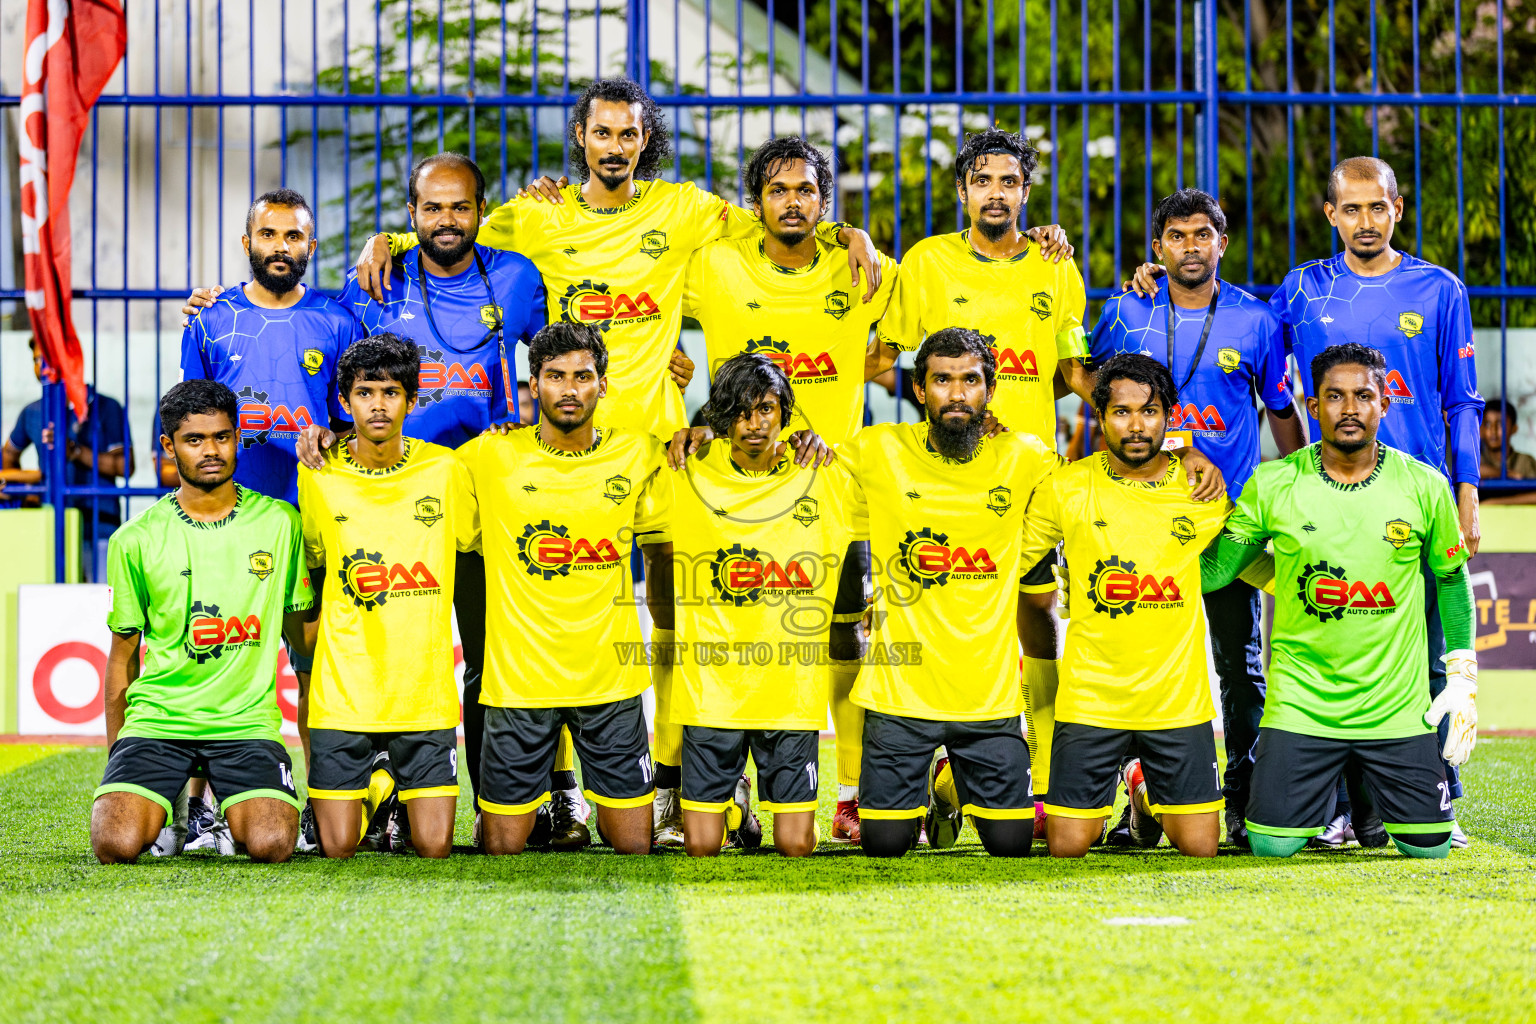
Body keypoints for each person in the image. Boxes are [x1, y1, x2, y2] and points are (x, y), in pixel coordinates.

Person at [870, 128, 1226, 837]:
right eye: (983, 180)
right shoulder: (928, 261)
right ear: (962, 190)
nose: (995, 193)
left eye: (1009, 181)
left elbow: (1074, 374)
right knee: (964, 611)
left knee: (1038, 618)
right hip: (946, 476)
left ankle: (1037, 769)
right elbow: (883, 359)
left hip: (1030, 479)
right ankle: (936, 773)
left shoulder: (1055, 265)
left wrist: (1167, 439)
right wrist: (952, 412)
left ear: (1025, 193)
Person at [1128, 157, 1484, 843]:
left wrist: (1466, 491)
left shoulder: (1438, 289)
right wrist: (1157, 283)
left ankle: (1438, 797)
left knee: (1431, 657)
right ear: (1331, 216)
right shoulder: (1302, 290)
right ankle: (1339, 809)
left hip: (1417, 498)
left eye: (1377, 208)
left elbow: (1462, 400)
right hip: (1330, 498)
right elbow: (1247, 344)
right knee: (1331, 643)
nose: (1365, 221)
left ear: (1397, 209)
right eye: (1350, 209)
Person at [356, 77, 884, 441]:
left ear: (644, 139)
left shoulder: (684, 207)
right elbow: (458, 231)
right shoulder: (541, 212)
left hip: (656, 425)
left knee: (662, 561)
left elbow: (778, 219)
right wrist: (388, 241)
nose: (614, 146)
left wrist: (845, 234)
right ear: (582, 137)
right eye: (602, 133)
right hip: (571, 424)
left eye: (627, 134)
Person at [666, 136, 901, 846]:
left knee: (839, 637)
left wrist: (852, 237)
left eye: (806, 190)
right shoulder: (715, 264)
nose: (792, 201)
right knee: (704, 622)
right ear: (755, 201)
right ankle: (694, 780)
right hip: (728, 487)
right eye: (777, 190)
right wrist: (674, 371)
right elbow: (644, 313)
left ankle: (854, 790)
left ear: (825, 203)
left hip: (830, 492)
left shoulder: (865, 269)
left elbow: (893, 346)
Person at [1202, 343, 1477, 859]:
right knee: (1270, 844)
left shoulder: (1425, 485)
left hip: (1395, 710)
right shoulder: (1273, 484)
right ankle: (1337, 796)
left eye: (1363, 395)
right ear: (1313, 407)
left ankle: (1371, 802)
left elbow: (1452, 579)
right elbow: (1218, 571)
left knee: (1430, 847)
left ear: (1385, 404)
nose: (1349, 408)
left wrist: (1462, 676)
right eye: (1334, 396)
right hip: (1302, 708)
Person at [1090, 188, 1304, 849]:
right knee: (1140, 664)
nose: (1190, 245)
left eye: (1202, 234)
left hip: (1226, 528)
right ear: (1157, 248)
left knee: (1240, 668)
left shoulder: (1257, 321)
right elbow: (1094, 406)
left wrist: (1308, 493)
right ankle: (1142, 806)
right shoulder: (1126, 311)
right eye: (1176, 235)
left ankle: (1243, 803)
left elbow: (1280, 412)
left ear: (1222, 243)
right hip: (1140, 521)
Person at [178, 187, 363, 851]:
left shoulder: (339, 323)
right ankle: (198, 808)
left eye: (293, 237)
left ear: (311, 246)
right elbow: (187, 423)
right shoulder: (209, 319)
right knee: (213, 661)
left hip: (309, 524)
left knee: (313, 668)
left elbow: (357, 422)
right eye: (269, 235)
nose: (280, 248)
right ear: (247, 243)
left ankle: (319, 805)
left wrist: (332, 440)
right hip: (228, 525)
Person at [844, 328, 1060, 858]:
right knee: (885, 845)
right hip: (899, 698)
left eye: (970, 380)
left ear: (991, 389)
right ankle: (932, 787)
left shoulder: (1027, 456)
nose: (957, 394)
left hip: (988, 701)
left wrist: (1180, 459)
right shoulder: (878, 450)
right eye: (942, 380)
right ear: (920, 390)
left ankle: (949, 783)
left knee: (1011, 846)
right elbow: (795, 466)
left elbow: (1096, 486)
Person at [456, 322, 669, 856]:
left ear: (603, 384)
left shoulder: (639, 454)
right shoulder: (486, 457)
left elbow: (665, 541)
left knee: (634, 846)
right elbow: (405, 472)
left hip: (610, 682)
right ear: (533, 384)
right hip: (518, 686)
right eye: (555, 376)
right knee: (502, 847)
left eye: (582, 376)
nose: (569, 389)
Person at [1020, 354, 1232, 858]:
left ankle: (1141, 796)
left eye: (1150, 411)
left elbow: (1245, 561)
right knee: (1067, 845)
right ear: (1100, 417)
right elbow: (1008, 558)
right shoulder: (1067, 486)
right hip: (1093, 697)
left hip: (1176, 700)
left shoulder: (1200, 489)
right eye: (1121, 412)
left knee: (1201, 846)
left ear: (1170, 418)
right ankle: (1128, 779)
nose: (1136, 426)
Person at [90, 380, 310, 864]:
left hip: (245, 724)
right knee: (114, 842)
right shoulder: (134, 539)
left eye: (222, 436)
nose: (211, 450)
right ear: (169, 446)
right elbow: (121, 661)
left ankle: (225, 817)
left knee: (272, 843)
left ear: (237, 437)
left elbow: (304, 647)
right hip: (159, 721)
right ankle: (177, 814)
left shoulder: (280, 523)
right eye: (194, 440)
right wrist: (118, 762)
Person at [658, 353, 859, 857]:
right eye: (741, 411)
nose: (754, 423)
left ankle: (743, 801)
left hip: (789, 693)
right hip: (712, 691)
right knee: (701, 846)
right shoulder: (686, 471)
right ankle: (737, 806)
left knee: (796, 846)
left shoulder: (826, 475)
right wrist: (684, 433)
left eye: (766, 409)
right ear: (723, 418)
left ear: (786, 414)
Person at [297, 334, 473, 859]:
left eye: (391, 392)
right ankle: (378, 782)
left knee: (435, 846)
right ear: (345, 402)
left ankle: (394, 782)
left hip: (423, 691)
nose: (378, 404)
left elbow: (477, 542)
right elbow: (314, 564)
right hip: (345, 692)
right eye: (365, 392)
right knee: (338, 848)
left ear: (411, 401)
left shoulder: (445, 471)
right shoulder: (319, 475)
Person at [1, 335, 133, 582]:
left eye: (47, 359)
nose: (41, 367)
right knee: (55, 607)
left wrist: (74, 451)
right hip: (49, 525)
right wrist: (29, 488)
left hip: (99, 526)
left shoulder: (106, 406)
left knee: (102, 607)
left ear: (70, 360)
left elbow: (125, 465)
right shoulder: (33, 411)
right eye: (36, 360)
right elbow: (9, 454)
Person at [1479, 399, 1536, 484]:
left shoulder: (1525, 461)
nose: (1493, 430)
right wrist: (1506, 473)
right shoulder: (1477, 459)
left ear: (1514, 428)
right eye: (1487, 424)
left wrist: (1494, 498)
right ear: (1481, 430)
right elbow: (1472, 470)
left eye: (1500, 424)